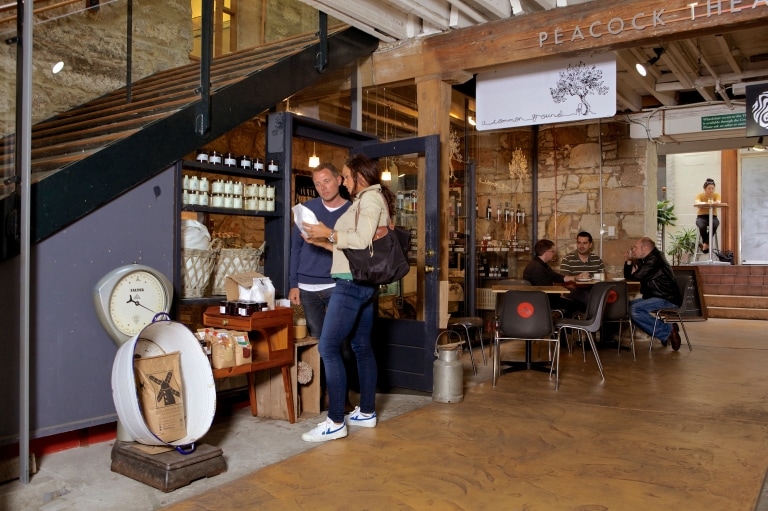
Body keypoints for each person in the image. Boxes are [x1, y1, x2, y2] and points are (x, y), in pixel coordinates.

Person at [299, 154, 395, 442]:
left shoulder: (369, 200)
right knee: (361, 346)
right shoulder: (369, 200)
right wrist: (322, 240)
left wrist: (328, 232)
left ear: (358, 177)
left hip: (350, 284)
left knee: (327, 347)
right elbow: (355, 249)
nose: (345, 181)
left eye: (346, 176)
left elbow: (362, 240)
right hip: (360, 279)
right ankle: (366, 412)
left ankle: (335, 422)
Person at [288, 162, 355, 412]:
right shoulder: (305, 209)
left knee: (342, 342)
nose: (322, 187)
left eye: (326, 181)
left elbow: (354, 249)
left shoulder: (351, 211)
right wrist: (293, 284)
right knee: (320, 343)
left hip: (338, 283)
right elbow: (295, 248)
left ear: (338, 180)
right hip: (307, 286)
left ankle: (341, 396)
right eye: (317, 184)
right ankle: (323, 395)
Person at [624, 237, 682, 350]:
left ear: (645, 248)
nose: (633, 250)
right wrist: (629, 261)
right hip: (654, 297)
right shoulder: (646, 259)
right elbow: (629, 276)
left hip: (667, 299)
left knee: (634, 310)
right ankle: (666, 330)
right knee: (624, 307)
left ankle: (668, 331)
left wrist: (635, 271)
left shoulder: (654, 260)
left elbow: (636, 277)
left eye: (635, 247)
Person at [523, 239, 585, 317]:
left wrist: (575, 277)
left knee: (577, 304)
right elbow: (545, 290)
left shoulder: (541, 264)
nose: (554, 253)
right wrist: (560, 295)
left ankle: (564, 327)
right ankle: (563, 327)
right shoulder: (537, 268)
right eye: (552, 251)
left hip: (544, 299)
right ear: (546, 252)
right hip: (542, 301)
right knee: (578, 306)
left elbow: (557, 277)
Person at [559, 231, 605, 306]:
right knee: (589, 295)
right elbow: (564, 283)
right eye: (579, 243)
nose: (581, 246)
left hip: (593, 290)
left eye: (585, 243)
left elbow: (602, 279)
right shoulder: (568, 259)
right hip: (573, 291)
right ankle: (594, 317)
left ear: (590, 245)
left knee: (603, 295)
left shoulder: (597, 260)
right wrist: (580, 285)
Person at [694, 178, 721, 254]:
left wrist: (713, 202)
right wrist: (703, 203)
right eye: (709, 188)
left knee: (715, 224)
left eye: (713, 188)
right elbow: (697, 202)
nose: (711, 190)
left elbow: (718, 202)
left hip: (713, 216)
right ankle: (706, 244)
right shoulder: (700, 195)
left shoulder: (716, 195)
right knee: (702, 226)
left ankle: (705, 245)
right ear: (705, 188)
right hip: (701, 216)